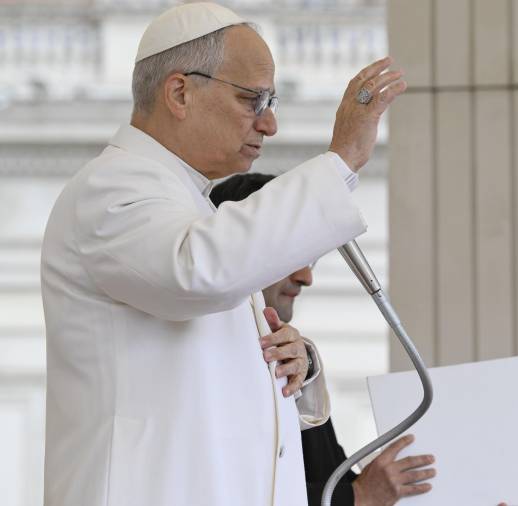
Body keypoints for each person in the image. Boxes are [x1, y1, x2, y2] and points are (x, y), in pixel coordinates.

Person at [40, 2, 406, 505]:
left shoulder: (192, 203)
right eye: (253, 99)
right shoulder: (110, 188)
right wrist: (341, 160)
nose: (269, 124)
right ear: (180, 93)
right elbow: (200, 273)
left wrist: (290, 362)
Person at [210, 174, 437, 506]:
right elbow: (231, 490)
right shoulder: (207, 362)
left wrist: (384, 486)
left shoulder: (293, 355)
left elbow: (326, 474)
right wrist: (358, 495)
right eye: (293, 255)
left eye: (311, 258)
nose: (307, 277)